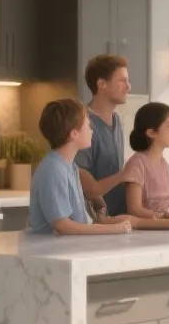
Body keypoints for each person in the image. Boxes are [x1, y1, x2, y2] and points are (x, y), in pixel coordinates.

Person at [30, 99, 133, 236]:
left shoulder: (70, 166)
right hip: (52, 252)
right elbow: (63, 226)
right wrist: (115, 229)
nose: (92, 132)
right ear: (74, 133)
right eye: (88, 126)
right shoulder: (53, 169)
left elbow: (81, 221)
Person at [115, 103, 169, 229]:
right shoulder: (137, 164)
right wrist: (166, 217)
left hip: (165, 228)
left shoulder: (165, 165)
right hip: (144, 231)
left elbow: (166, 206)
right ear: (151, 132)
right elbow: (134, 209)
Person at [74, 54, 132, 218]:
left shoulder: (117, 120)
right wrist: (125, 174)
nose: (128, 86)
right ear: (101, 84)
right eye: (122, 81)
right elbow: (87, 187)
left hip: (117, 218)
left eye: (128, 80)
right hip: (92, 221)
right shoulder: (82, 124)